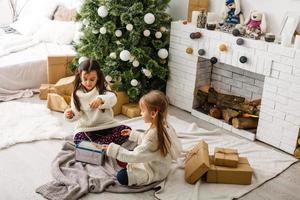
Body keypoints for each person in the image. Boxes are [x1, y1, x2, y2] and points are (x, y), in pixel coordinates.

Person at [102, 90, 182, 186]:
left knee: (121, 176)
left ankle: (127, 163)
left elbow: (137, 154)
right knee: (127, 152)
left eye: (143, 111)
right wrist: (133, 134)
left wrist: (113, 149)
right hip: (161, 164)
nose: (141, 113)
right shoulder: (164, 126)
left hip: (154, 171)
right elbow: (147, 142)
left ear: (153, 114)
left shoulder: (152, 136)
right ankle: (125, 159)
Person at [64, 59, 130, 146]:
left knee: (127, 131)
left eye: (92, 79)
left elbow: (113, 99)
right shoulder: (76, 93)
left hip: (107, 125)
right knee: (78, 139)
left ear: (98, 77)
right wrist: (70, 114)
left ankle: (95, 145)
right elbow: (76, 113)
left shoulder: (103, 88)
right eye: (85, 79)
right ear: (80, 76)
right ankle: (102, 144)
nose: (88, 83)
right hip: (86, 129)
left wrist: (101, 100)